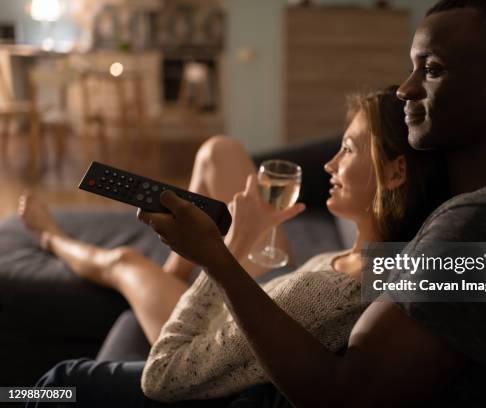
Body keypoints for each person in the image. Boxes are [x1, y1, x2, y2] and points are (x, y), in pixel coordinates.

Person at [135, 1, 486, 407]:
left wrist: (219, 256)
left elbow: (340, 394)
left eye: (432, 69)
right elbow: (447, 276)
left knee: (62, 384)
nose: (404, 88)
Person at [26, 86, 447, 407]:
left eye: (349, 149)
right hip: (269, 293)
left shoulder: (337, 293)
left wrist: (230, 247)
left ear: (395, 174)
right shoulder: (393, 258)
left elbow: (163, 375)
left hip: (224, 321)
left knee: (121, 269)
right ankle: (171, 272)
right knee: (220, 151)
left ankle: (51, 239)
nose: (329, 164)